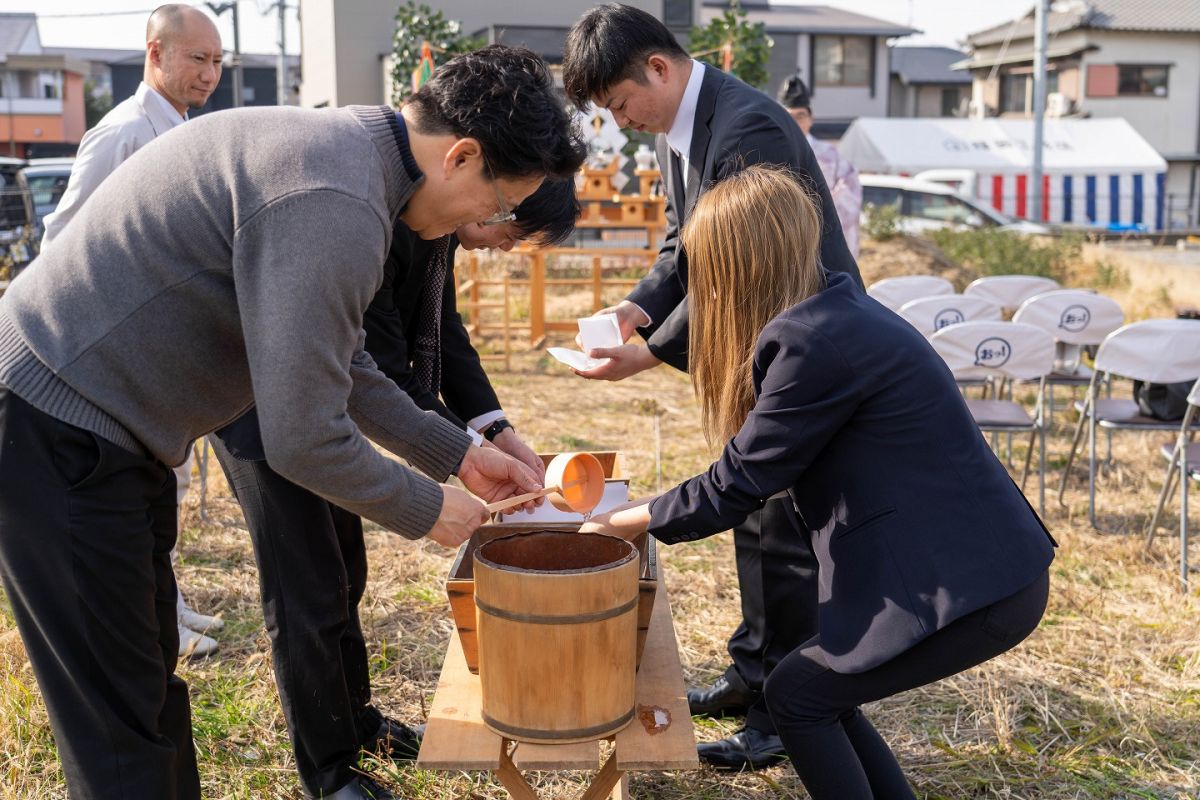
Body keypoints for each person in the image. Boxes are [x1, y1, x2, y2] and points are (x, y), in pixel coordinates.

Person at [0, 44, 584, 800]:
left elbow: (345, 368)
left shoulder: (350, 161)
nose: (488, 224)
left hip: (111, 427)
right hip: (57, 425)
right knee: (119, 724)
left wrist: (456, 454)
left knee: (144, 686)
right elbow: (302, 436)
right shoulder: (336, 201)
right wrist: (432, 508)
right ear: (463, 156)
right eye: (500, 206)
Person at [581, 165, 1054, 797]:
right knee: (822, 694)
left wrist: (617, 520)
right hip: (979, 566)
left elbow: (737, 482)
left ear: (743, 264)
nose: (702, 290)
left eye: (708, 270)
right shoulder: (831, 308)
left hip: (973, 587)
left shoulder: (812, 341)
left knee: (799, 698)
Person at [561, 3, 862, 769]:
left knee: (784, 526)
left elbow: (742, 263)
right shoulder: (682, 129)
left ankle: (778, 716)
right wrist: (634, 313)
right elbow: (684, 247)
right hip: (747, 341)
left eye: (622, 104)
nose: (623, 123)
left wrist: (654, 352)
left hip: (796, 339)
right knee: (755, 519)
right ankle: (752, 667)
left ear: (657, 69)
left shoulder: (747, 128)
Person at [209, 179, 580, 800]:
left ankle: (357, 724)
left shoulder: (438, 222)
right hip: (258, 395)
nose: (498, 246)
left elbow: (441, 330)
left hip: (326, 392)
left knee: (343, 571)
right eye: (506, 229)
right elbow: (381, 371)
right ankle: (327, 772)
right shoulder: (384, 217)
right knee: (305, 578)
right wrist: (459, 464)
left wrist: (494, 430)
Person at [40, 3, 227, 658]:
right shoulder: (122, 133)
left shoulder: (179, 125)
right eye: (197, 58)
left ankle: (170, 609)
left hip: (164, 340)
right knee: (143, 492)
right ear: (156, 53)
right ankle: (159, 623)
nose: (209, 74)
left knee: (165, 487)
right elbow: (61, 237)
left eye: (217, 62)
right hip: (119, 345)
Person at [777, 74, 862, 258]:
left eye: (801, 116)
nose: (795, 123)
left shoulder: (831, 155)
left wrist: (812, 212)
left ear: (811, 118)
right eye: (789, 116)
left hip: (825, 242)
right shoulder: (770, 151)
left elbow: (850, 195)